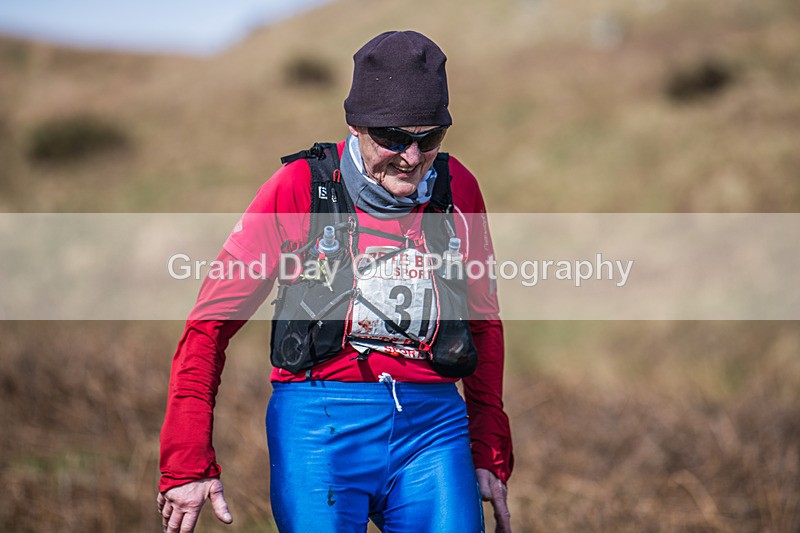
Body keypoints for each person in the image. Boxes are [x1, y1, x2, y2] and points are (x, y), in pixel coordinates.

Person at [158, 31, 513, 532]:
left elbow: (483, 324)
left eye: (430, 138)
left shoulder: (460, 190)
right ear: (355, 125)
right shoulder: (298, 188)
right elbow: (209, 325)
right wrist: (186, 459)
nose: (412, 158)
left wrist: (489, 445)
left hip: (433, 429)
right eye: (392, 138)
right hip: (318, 424)